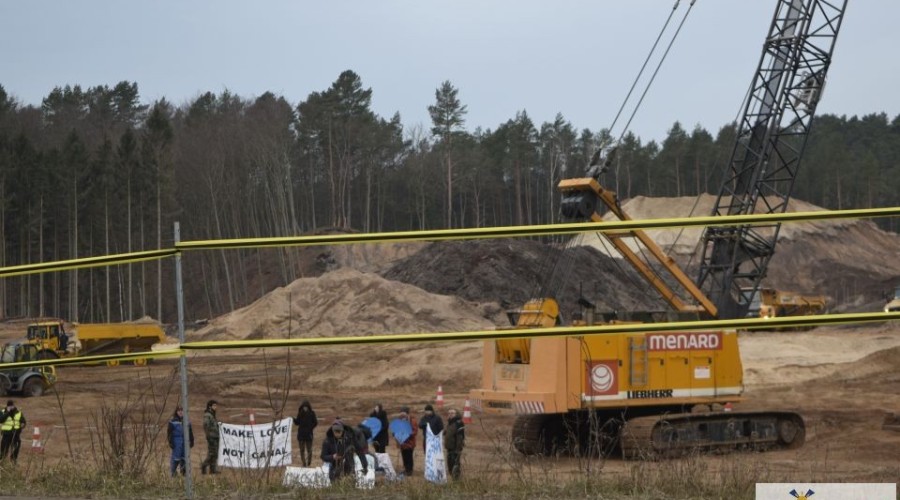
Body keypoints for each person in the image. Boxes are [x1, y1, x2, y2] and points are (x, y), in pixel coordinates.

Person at [167, 405, 194, 477]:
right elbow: (169, 433)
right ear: (176, 412)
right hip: (177, 441)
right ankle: (173, 474)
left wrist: (191, 440)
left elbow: (190, 432)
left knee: (184, 458)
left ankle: (184, 474)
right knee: (176, 458)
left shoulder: (187, 421)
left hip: (185, 441)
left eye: (182, 410)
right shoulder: (173, 421)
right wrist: (171, 442)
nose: (180, 412)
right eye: (179, 411)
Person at [293, 400, 317, 467]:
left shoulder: (312, 413)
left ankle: (309, 462)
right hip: (301, 435)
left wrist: (310, 428)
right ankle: (304, 463)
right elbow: (297, 422)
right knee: (302, 450)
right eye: (304, 407)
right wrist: (293, 419)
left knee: (309, 450)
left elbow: (315, 422)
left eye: (306, 407)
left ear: (308, 407)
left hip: (309, 435)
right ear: (302, 407)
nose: (305, 408)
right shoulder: (300, 413)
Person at [444, 408, 465, 480]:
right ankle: (454, 480)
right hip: (449, 449)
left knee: (455, 466)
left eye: (452, 413)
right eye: (449, 413)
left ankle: (456, 481)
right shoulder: (450, 423)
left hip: (455, 449)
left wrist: (458, 450)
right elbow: (447, 433)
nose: (450, 414)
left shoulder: (459, 423)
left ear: (456, 414)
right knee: (450, 466)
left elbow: (460, 437)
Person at [396, 406, 417, 476]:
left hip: (409, 443)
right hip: (402, 443)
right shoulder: (401, 421)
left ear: (407, 413)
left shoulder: (412, 420)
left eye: (403, 413)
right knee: (404, 456)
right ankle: (406, 469)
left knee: (409, 457)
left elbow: (414, 431)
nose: (402, 415)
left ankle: (409, 470)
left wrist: (407, 434)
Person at [200, 400, 220, 475]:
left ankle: (213, 469)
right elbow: (206, 425)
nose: (216, 407)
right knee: (212, 453)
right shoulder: (208, 415)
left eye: (216, 405)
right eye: (214, 405)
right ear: (210, 406)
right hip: (211, 437)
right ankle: (203, 465)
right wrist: (208, 436)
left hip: (215, 436)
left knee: (215, 453)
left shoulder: (212, 415)